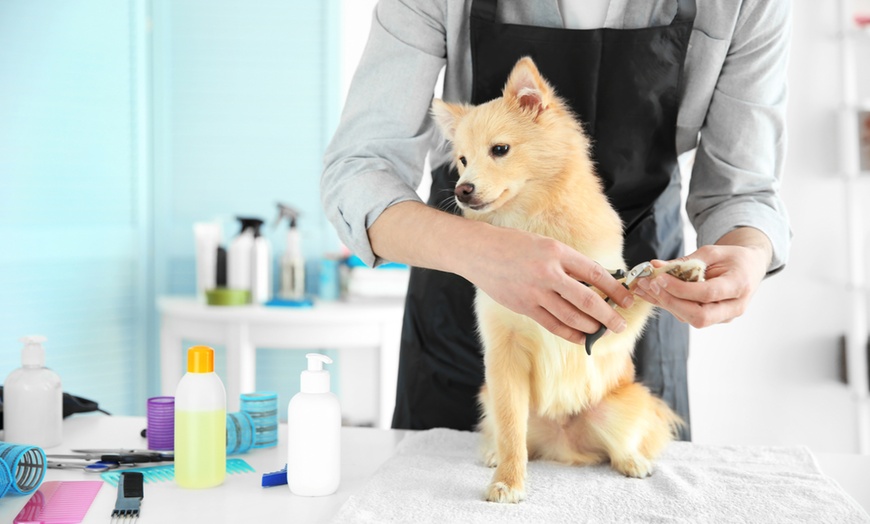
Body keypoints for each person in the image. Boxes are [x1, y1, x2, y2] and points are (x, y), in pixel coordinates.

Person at [321, 0, 791, 441]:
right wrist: (481, 250)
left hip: (631, 296)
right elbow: (361, 171)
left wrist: (747, 255)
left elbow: (742, 191)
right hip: (465, 300)